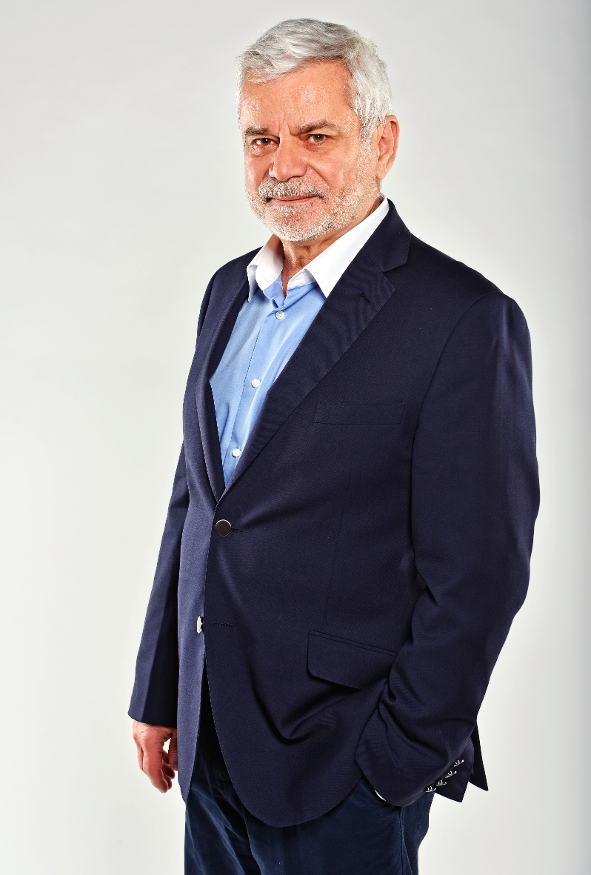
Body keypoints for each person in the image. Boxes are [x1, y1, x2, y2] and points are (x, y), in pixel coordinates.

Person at [129, 18, 539, 875]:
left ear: (381, 143)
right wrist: (161, 688)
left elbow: (480, 572)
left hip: (341, 767)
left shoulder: (461, 319)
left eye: (315, 136)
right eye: (261, 139)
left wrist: (395, 762)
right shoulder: (226, 293)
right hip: (209, 742)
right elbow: (198, 503)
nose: (283, 165)